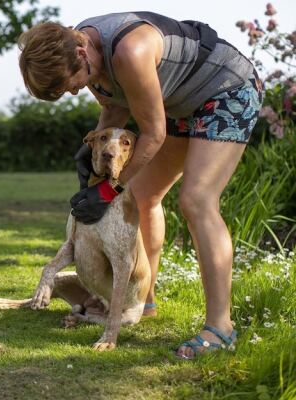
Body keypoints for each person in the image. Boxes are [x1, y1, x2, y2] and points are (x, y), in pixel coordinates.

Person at [17, 11, 263, 359]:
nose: (75, 92)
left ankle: (220, 328)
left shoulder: (129, 51)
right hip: (180, 102)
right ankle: (143, 301)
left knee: (197, 199)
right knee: (144, 195)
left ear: (82, 53)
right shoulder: (84, 52)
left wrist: (109, 189)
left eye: (73, 84)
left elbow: (153, 134)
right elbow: (115, 111)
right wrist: (91, 163)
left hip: (227, 88)